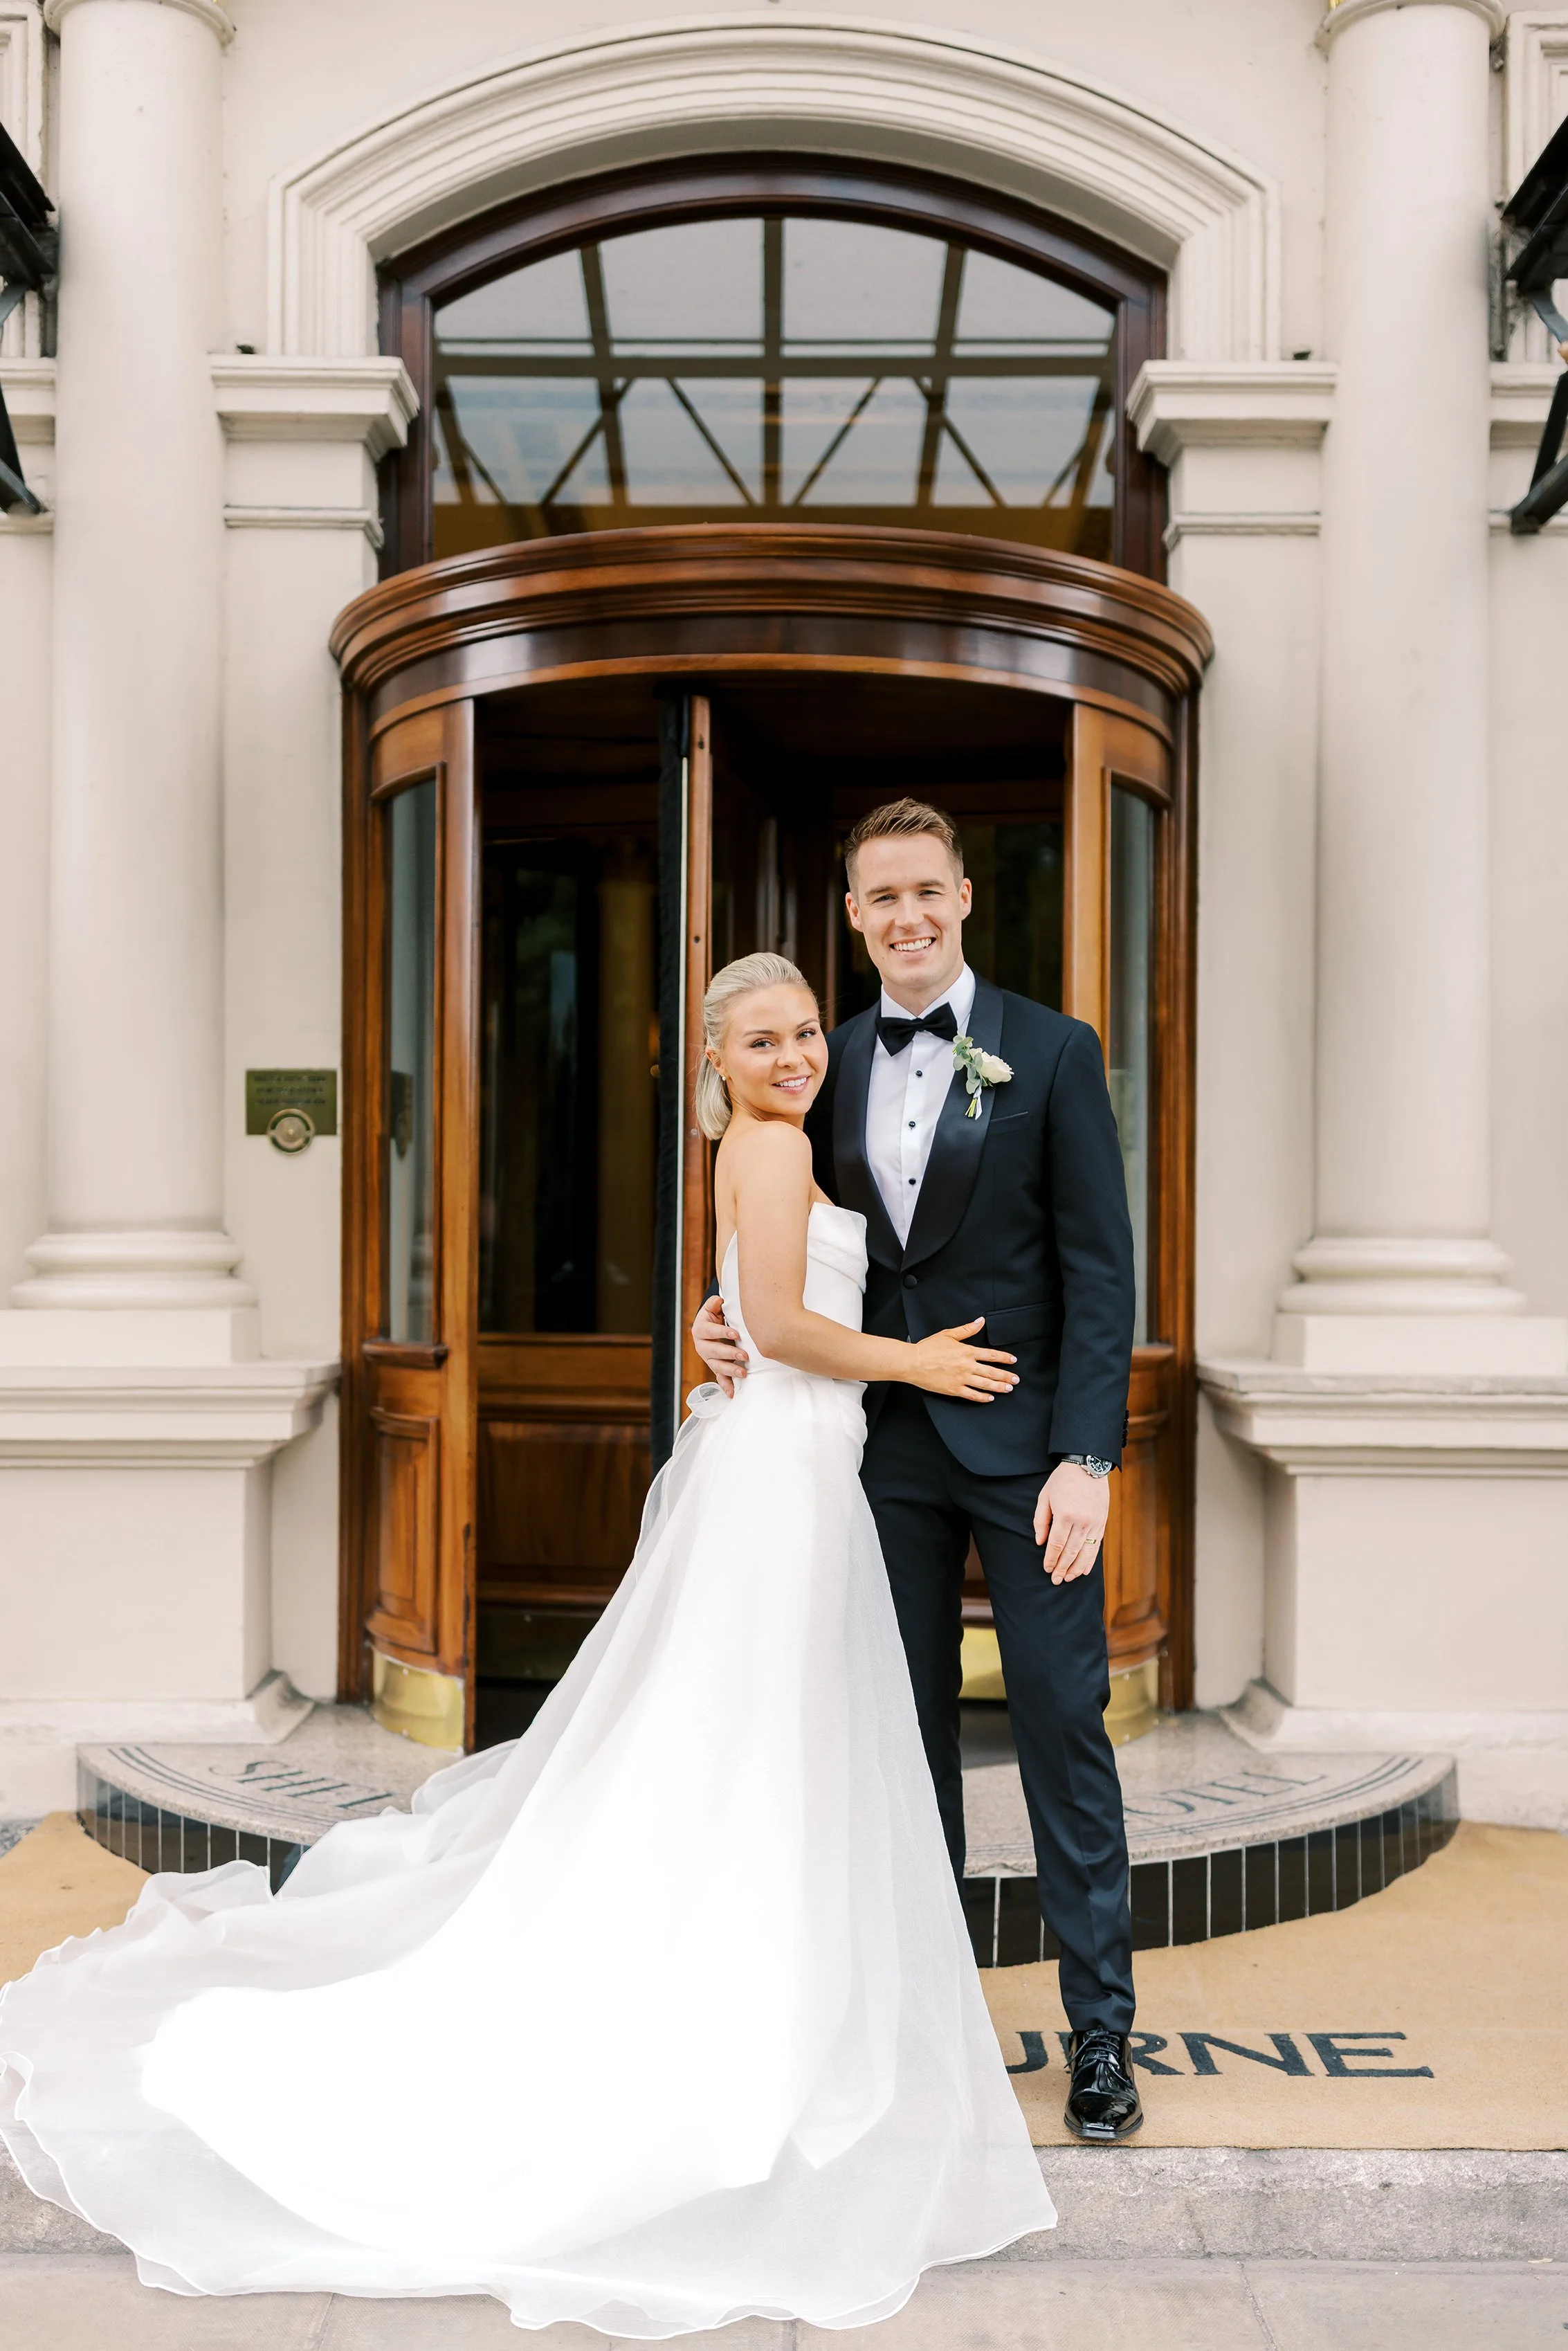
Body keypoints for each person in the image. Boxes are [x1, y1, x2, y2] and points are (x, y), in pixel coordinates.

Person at [0, 950, 1052, 2337]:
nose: (794, 1053)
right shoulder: (774, 1144)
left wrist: (717, 1326)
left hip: (790, 1467)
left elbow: (747, 1309)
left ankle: (766, 1987)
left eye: (804, 1030)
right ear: (717, 1063)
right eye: (762, 1039)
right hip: (783, 1481)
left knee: (745, 1734)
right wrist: (909, 1362)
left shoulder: (774, 1142)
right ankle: (732, 2001)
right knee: (745, 1735)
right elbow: (788, 1322)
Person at [693, 800, 1142, 2141]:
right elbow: (764, 1231)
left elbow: (1098, 1270)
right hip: (867, 1459)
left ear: (961, 900)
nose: (903, 917)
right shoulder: (808, 1061)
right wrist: (710, 1318)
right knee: (900, 1743)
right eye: (878, 896)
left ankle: (1101, 2039)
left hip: (1025, 1459)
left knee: (1063, 1731)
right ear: (850, 915)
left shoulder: (1051, 1054)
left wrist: (1085, 1454)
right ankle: (918, 2025)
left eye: (925, 894)